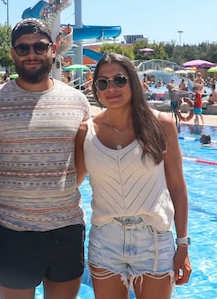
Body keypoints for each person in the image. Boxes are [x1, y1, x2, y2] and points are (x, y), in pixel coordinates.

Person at [0, 18, 91, 299]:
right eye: (23, 49)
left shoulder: (78, 102)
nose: (32, 54)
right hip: (13, 231)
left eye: (39, 46)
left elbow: (80, 169)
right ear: (13, 54)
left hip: (66, 229)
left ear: (53, 49)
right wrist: (17, 174)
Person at [74, 53, 191, 299]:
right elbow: (71, 183)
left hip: (155, 240)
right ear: (96, 89)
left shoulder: (161, 124)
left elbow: (177, 187)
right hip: (105, 239)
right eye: (102, 83)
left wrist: (183, 244)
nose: (111, 88)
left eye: (119, 80)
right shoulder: (86, 131)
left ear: (133, 83)